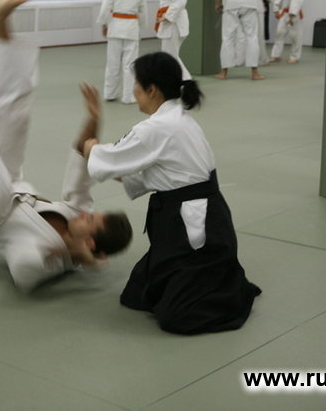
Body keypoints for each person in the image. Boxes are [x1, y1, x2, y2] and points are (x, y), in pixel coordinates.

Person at [0, 0, 133, 292]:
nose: (87, 213)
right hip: (8, 184)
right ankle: (1, 22)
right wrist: (94, 118)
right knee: (16, 116)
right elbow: (81, 154)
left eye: (91, 220)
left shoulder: (49, 259)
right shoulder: (77, 212)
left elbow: (24, 273)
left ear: (89, 243)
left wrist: (74, 255)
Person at [84, 52, 261, 335]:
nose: (134, 91)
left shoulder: (157, 127)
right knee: (136, 294)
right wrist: (97, 155)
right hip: (193, 216)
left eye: (136, 84)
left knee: (177, 316)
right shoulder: (178, 118)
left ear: (152, 89)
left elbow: (105, 161)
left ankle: (224, 291)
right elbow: (143, 175)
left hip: (195, 226)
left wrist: (91, 149)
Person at [97, 0, 147, 103]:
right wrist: (142, 26)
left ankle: (110, 94)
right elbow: (143, 12)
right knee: (130, 65)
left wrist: (104, 24)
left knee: (112, 63)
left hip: (115, 27)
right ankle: (128, 96)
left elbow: (106, 7)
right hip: (131, 28)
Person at [156, 0, 192, 81]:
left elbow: (180, 1)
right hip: (174, 24)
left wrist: (167, 16)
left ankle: (186, 83)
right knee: (171, 58)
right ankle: (186, 83)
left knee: (170, 59)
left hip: (173, 25)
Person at [269, 0, 305, 64]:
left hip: (294, 15)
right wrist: (276, 10)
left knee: (295, 36)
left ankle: (295, 57)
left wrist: (292, 15)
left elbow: (296, 1)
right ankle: (276, 55)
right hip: (284, 13)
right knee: (279, 34)